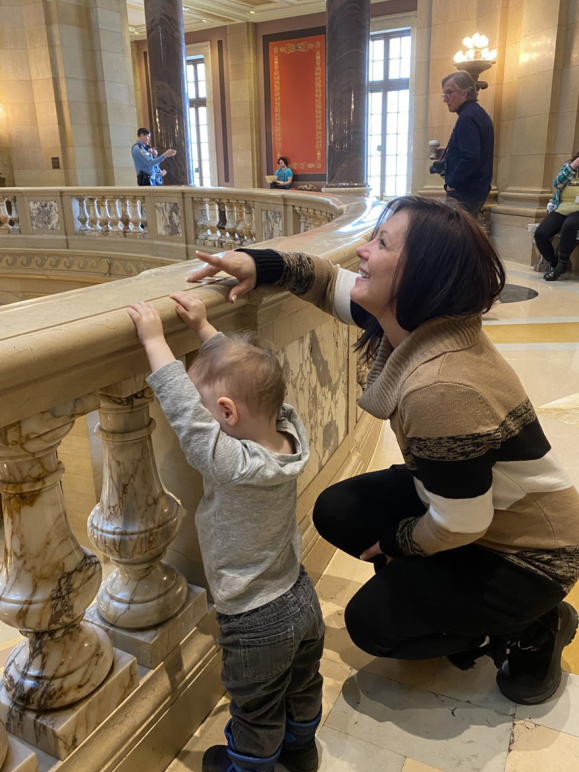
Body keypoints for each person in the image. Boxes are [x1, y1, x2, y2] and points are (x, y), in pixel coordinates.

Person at [187, 196, 579, 707]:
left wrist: (399, 544)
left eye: (382, 243)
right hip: (475, 511)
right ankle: (444, 597)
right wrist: (258, 264)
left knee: (370, 625)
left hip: (529, 553)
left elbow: (463, 524)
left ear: (421, 277)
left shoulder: (442, 386)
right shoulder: (416, 323)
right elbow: (326, 281)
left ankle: (531, 625)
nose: (363, 252)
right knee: (337, 510)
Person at [127, 293, 324, 772]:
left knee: (254, 711)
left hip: (255, 620)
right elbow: (250, 384)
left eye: (212, 409)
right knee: (302, 685)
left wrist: (155, 341)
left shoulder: (231, 463)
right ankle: (301, 752)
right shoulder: (286, 432)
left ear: (227, 413)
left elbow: (188, 419)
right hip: (300, 597)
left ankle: (248, 768)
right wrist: (205, 330)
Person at [439, 72, 494, 216]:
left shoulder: (466, 118)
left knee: (454, 236)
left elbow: (471, 156)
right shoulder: (478, 113)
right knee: (465, 235)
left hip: (464, 192)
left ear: (465, 93)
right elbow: (476, 150)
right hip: (476, 190)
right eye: (444, 94)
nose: (445, 99)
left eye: (449, 93)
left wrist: (452, 184)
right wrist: (448, 153)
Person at [534, 153, 579, 281]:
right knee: (541, 234)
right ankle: (555, 263)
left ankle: (562, 262)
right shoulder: (568, 166)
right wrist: (574, 166)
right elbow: (557, 183)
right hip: (562, 207)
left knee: (569, 225)